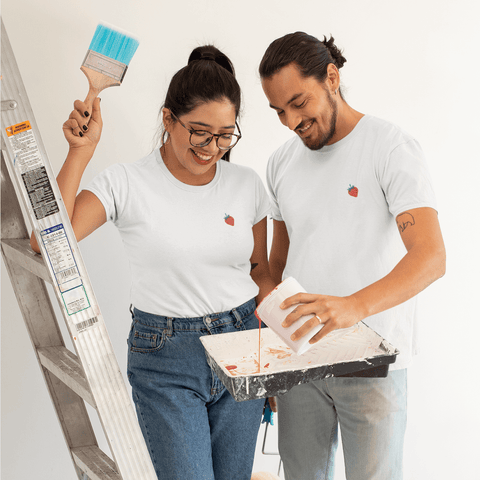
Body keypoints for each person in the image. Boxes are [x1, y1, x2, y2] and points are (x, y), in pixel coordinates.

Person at [31, 45, 276, 480]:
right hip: (166, 357)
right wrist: (80, 153)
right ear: (168, 118)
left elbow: (260, 271)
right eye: (200, 132)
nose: (212, 147)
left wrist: (275, 348)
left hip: (244, 343)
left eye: (225, 135)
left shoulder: (247, 184)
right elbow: (45, 241)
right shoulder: (127, 182)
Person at [258, 32, 446, 480]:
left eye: (299, 103)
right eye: (279, 111)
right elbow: (275, 267)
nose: (290, 121)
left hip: (373, 366)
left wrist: (351, 308)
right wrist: (270, 352)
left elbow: (431, 256)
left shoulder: (390, 147)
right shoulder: (281, 162)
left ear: (332, 77)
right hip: (300, 366)